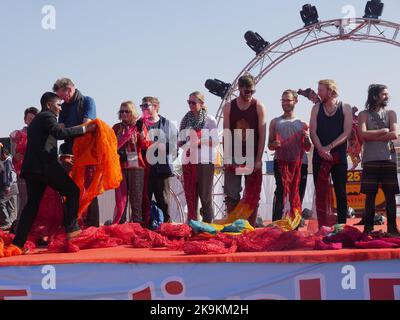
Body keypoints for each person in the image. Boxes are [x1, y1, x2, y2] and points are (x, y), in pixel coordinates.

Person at [11, 92, 96, 253]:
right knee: (72, 191)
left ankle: (18, 243)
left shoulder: (39, 119)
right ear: (49, 105)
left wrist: (59, 156)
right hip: (44, 167)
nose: (60, 108)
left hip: (33, 168)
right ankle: (72, 229)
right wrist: (85, 129)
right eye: (58, 104)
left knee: (32, 206)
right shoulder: (47, 117)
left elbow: (42, 145)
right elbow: (60, 133)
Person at [53, 78, 99, 227]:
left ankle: (92, 225)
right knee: (68, 189)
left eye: (63, 94)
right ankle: (72, 223)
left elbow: (87, 125)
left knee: (89, 188)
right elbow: (60, 129)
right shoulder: (64, 107)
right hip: (69, 153)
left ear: (70, 89)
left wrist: (68, 131)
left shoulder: (87, 101)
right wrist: (74, 131)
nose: (63, 98)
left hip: (87, 152)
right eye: (60, 97)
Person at [222, 74, 266, 227]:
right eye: (247, 91)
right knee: (231, 193)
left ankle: (250, 228)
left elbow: (262, 134)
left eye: (252, 91)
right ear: (240, 89)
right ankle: (233, 227)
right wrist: (227, 157)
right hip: (234, 153)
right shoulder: (228, 106)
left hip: (252, 154)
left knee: (252, 194)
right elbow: (226, 133)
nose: (250, 94)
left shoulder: (258, 106)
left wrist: (259, 159)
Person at [309, 79, 352, 228]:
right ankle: (322, 227)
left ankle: (341, 227)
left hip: (338, 156)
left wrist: (330, 147)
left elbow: (347, 132)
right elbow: (312, 131)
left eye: (321, 90)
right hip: (319, 156)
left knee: (340, 191)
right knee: (320, 193)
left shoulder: (345, 107)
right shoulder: (316, 108)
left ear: (330, 91)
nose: (318, 93)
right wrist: (321, 148)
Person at [358, 84, 399, 236]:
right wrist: (383, 131)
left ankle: (393, 228)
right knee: (370, 195)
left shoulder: (391, 113)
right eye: (383, 94)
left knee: (390, 195)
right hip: (370, 159)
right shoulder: (363, 114)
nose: (387, 96)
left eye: (387, 94)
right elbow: (362, 134)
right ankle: (368, 228)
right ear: (375, 96)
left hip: (388, 159)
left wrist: (372, 134)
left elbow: (394, 134)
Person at [269, 90, 311, 229]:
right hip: (281, 163)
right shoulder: (275, 122)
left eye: (288, 100)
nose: (285, 103)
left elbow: (308, 148)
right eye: (283, 100)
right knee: (280, 192)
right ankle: (276, 223)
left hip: (300, 163)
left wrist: (306, 139)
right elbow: (270, 145)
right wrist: (274, 144)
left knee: (298, 193)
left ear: (295, 101)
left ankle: (295, 223)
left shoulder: (303, 123)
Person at [179, 91, 219, 223]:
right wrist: (185, 144)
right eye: (188, 102)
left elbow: (215, 142)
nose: (190, 105)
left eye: (193, 102)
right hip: (189, 161)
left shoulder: (209, 120)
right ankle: (193, 224)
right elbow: (180, 142)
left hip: (205, 161)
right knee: (191, 195)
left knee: (205, 195)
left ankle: (208, 225)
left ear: (201, 103)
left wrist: (199, 142)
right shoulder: (185, 120)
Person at [112, 101, 151, 224]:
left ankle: (137, 226)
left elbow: (146, 145)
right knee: (121, 200)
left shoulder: (139, 126)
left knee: (136, 199)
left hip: (136, 167)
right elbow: (110, 147)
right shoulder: (116, 127)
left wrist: (140, 133)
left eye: (127, 111)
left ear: (132, 113)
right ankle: (121, 225)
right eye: (122, 111)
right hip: (120, 166)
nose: (124, 114)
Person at [140, 96, 178, 224]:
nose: (144, 108)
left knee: (164, 203)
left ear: (155, 107)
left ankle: (166, 229)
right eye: (142, 106)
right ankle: (144, 229)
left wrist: (156, 147)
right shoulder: (139, 124)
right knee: (143, 203)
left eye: (146, 105)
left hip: (162, 170)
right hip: (144, 170)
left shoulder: (167, 124)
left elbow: (174, 148)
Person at [9, 107, 39, 218]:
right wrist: (16, 156)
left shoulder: (41, 134)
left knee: (37, 201)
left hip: (38, 172)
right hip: (23, 172)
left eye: (34, 119)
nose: (32, 121)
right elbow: (13, 157)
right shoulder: (18, 135)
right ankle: (20, 226)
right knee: (24, 200)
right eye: (29, 119)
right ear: (25, 120)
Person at [0, 146, 18, 231]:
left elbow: (8, 175)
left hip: (10, 185)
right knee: (11, 205)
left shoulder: (8, 161)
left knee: (1, 202)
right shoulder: (11, 160)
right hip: (14, 185)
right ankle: (12, 224)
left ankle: (7, 222)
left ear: (3, 154)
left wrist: (8, 186)